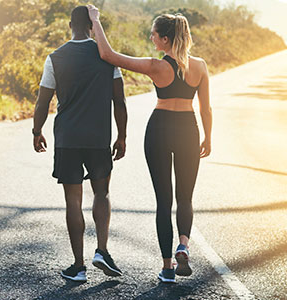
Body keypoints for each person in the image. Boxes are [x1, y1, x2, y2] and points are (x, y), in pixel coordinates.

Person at [86, 4, 213, 284]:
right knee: (185, 198)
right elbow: (206, 109)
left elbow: (107, 54)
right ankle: (183, 245)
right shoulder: (200, 66)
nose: (152, 38)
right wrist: (208, 136)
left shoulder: (156, 66)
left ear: (165, 39)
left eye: (154, 35)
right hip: (188, 130)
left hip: (159, 129)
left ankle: (167, 268)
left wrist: (96, 21)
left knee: (163, 201)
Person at [32, 5, 127, 283]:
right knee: (101, 193)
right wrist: (122, 136)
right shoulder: (107, 57)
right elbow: (119, 101)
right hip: (98, 138)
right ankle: (102, 251)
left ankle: (79, 266)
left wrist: (36, 130)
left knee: (73, 201)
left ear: (69, 25)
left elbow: (43, 101)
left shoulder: (55, 58)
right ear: (90, 26)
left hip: (68, 139)